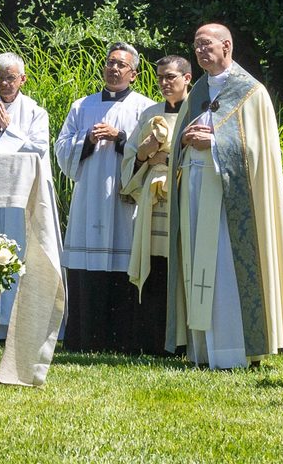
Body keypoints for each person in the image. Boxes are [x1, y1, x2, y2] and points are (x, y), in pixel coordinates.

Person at [166, 23, 283, 367]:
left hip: (230, 195)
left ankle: (234, 350)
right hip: (194, 188)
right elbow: (180, 137)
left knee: (225, 266)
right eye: (196, 45)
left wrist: (215, 143)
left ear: (226, 46)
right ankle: (203, 350)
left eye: (206, 44)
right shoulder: (196, 92)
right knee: (197, 266)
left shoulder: (251, 92)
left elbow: (262, 151)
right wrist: (183, 140)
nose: (199, 51)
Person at [55, 43, 154, 352]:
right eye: (110, 63)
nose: (114, 69)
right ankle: (84, 338)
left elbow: (152, 151)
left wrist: (120, 138)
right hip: (89, 199)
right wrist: (86, 138)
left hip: (125, 202)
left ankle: (122, 340)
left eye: (121, 65)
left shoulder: (145, 108)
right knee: (87, 272)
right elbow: (61, 149)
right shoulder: (81, 106)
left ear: (133, 74)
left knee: (123, 269)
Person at [0, 51, 51, 341]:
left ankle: (23, 325)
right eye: (1, 78)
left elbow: (38, 150)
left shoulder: (35, 112)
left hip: (22, 197)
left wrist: (10, 131)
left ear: (23, 79)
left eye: (11, 78)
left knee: (21, 250)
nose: (5, 84)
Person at [120, 54, 193, 354]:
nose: (164, 83)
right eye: (161, 77)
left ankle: (182, 343)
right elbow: (131, 160)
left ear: (187, 78)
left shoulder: (198, 113)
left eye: (171, 77)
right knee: (155, 268)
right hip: (152, 206)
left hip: (183, 200)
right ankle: (151, 342)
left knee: (180, 268)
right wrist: (144, 155)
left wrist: (170, 159)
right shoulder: (150, 113)